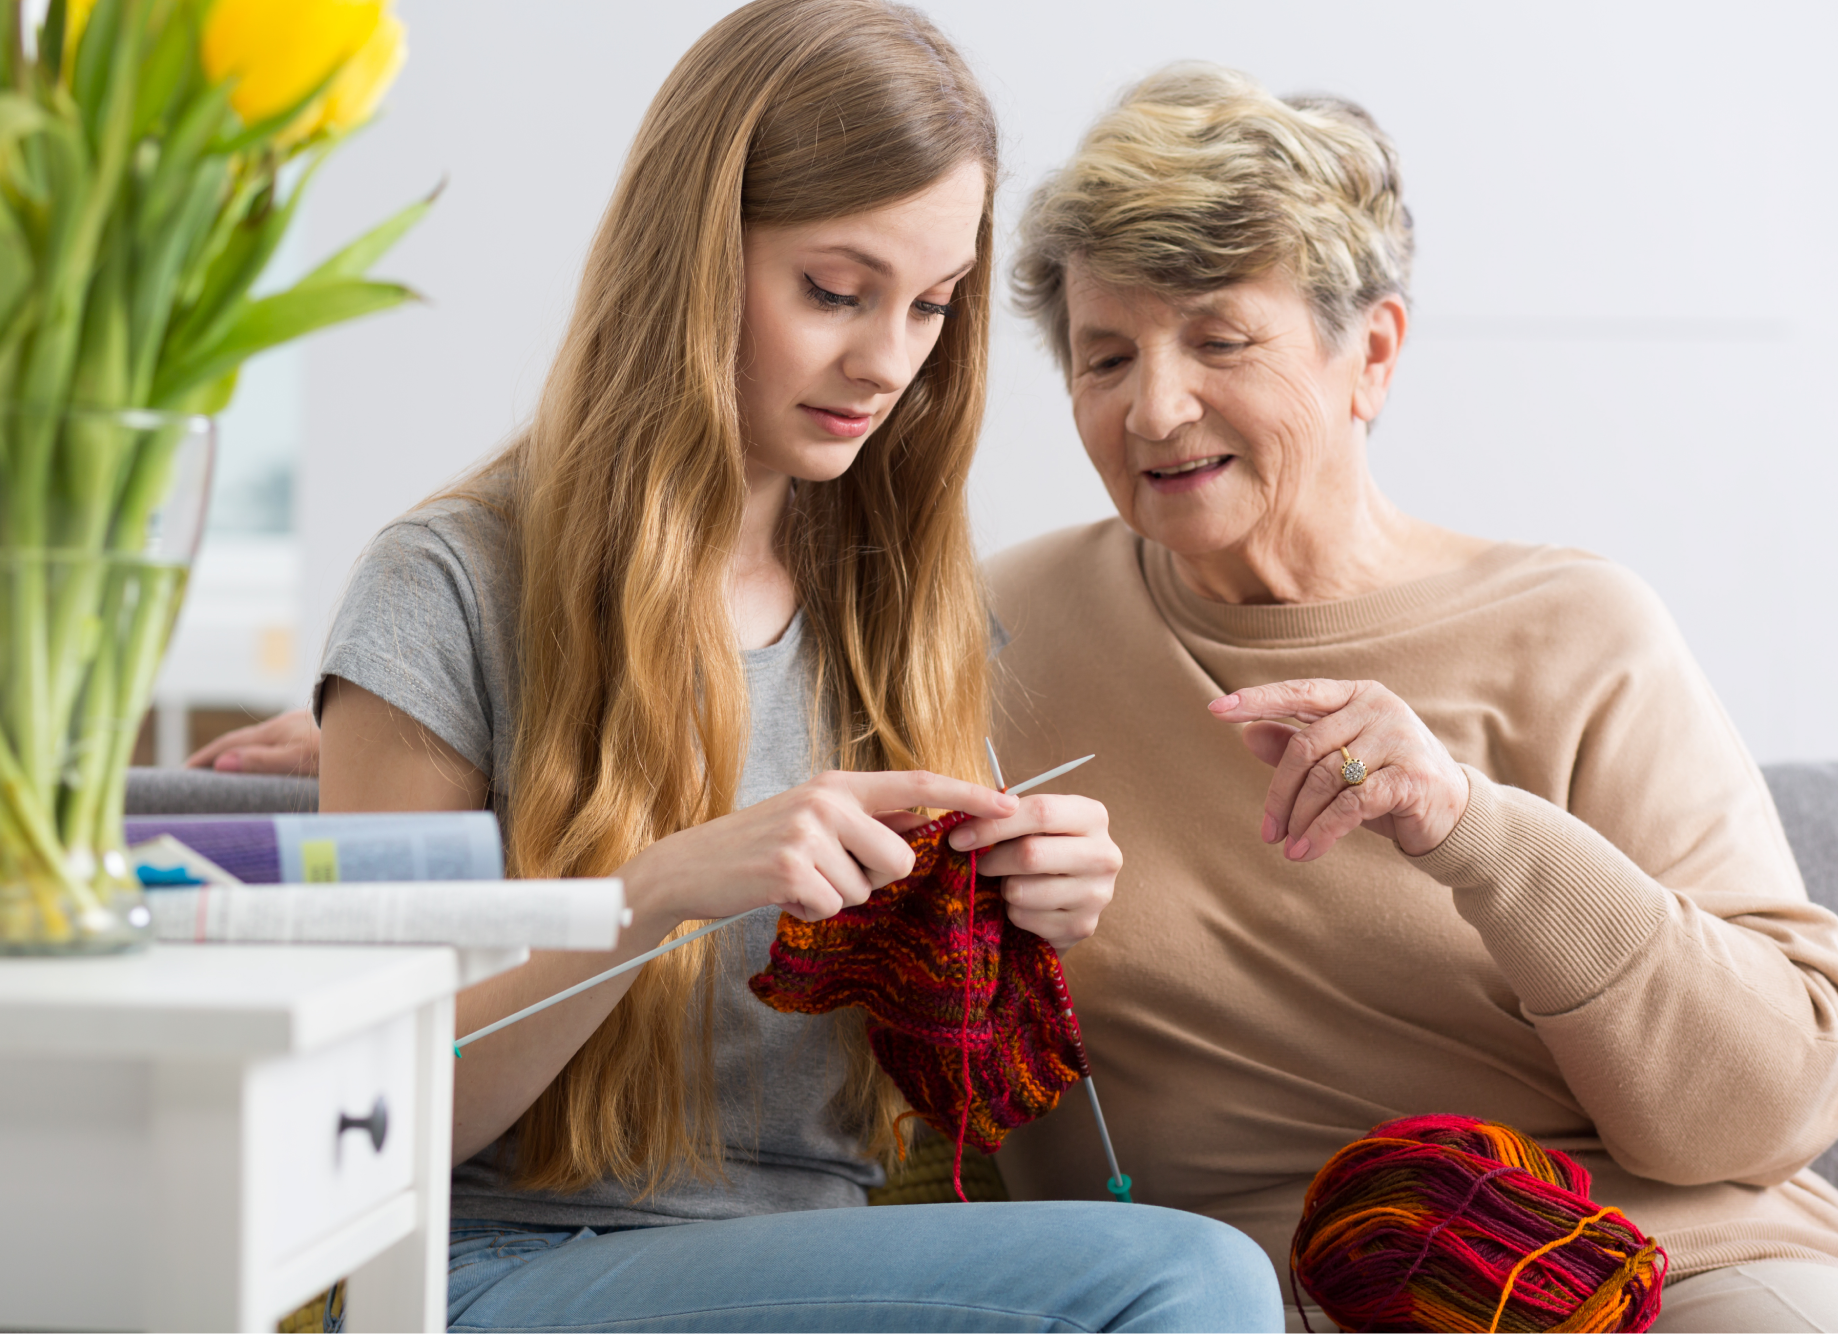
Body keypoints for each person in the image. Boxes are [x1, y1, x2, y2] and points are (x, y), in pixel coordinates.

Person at [293, 9, 1277, 1332]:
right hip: (492, 1267)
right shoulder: (448, 585)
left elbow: (940, 1084)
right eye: (834, 289)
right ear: (694, 254)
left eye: (931, 305)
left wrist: (1022, 917)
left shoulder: (905, 608)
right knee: (1189, 1278)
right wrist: (645, 899)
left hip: (826, 1261)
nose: (886, 359)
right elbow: (360, 1118)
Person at [978, 64, 1838, 1334]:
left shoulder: (1575, 630)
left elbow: (1763, 1102)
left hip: (1653, 1251)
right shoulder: (989, 634)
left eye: (1216, 338)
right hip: (1247, 1287)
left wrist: (1477, 829)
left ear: (1368, 351)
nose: (1152, 406)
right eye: (1105, 354)